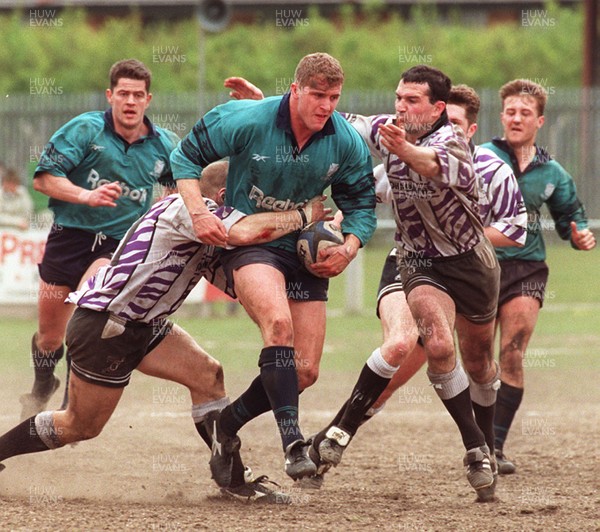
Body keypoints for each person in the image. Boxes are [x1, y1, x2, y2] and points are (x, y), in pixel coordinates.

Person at [223, 73, 506, 501]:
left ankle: (487, 442)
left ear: (437, 109)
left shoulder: (454, 145)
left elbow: (432, 166)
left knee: (481, 361)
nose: (401, 106)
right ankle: (475, 451)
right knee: (438, 344)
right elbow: (326, 116)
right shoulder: (386, 130)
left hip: (472, 264)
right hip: (419, 261)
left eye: (412, 100)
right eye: (398, 97)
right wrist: (269, 108)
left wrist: (402, 149)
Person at [0, 160, 331, 504]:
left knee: (207, 375)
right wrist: (303, 216)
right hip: (106, 324)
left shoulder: (205, 229)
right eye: (248, 196)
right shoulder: (187, 211)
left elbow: (236, 280)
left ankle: (233, 479)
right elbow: (246, 231)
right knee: (80, 425)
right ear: (221, 196)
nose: (255, 204)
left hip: (146, 323)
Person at [170, 52, 377, 482]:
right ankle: (293, 445)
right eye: (317, 95)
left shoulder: (346, 141)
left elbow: (360, 205)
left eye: (334, 97)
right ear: (296, 89)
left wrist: (350, 247)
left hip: (304, 251)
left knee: (304, 372)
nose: (326, 106)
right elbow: (184, 158)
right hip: (253, 242)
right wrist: (201, 213)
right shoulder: (247, 119)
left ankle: (226, 425)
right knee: (278, 327)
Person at [20, 59, 180, 420]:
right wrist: (85, 195)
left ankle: (68, 409)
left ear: (148, 99)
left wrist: (167, 199)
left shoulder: (165, 143)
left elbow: (185, 180)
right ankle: (43, 384)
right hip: (70, 237)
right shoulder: (85, 130)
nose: (130, 101)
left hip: (116, 244)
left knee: (88, 312)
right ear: (110, 95)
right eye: (123, 93)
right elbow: (44, 179)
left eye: (138, 95)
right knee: (49, 336)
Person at [480, 79, 595, 474]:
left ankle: (494, 447)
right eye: (510, 111)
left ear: (539, 120)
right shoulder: (481, 157)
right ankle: (477, 443)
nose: (516, 118)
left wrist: (580, 235)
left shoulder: (553, 172)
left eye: (524, 112)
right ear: (502, 116)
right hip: (479, 266)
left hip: (526, 267)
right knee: (477, 361)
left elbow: (571, 218)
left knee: (511, 351)